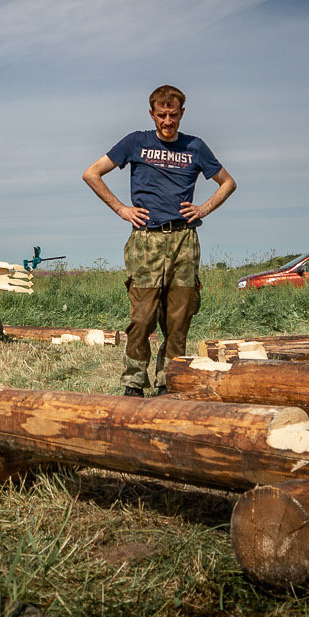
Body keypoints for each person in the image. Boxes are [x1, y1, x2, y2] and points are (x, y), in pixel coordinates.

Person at [82, 86, 237, 396]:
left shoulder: (195, 147)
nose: (168, 121)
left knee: (179, 318)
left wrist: (203, 208)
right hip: (146, 241)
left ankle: (170, 382)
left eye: (173, 114)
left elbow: (228, 182)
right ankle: (134, 383)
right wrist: (121, 209)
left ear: (182, 113)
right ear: (152, 114)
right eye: (162, 115)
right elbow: (92, 173)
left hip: (184, 240)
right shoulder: (136, 142)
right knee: (142, 318)